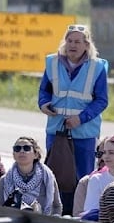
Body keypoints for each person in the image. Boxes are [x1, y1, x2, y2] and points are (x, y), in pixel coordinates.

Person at [38, 24, 109, 208]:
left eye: (77, 41)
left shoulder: (97, 67)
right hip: (57, 130)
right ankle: (56, 213)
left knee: (82, 178)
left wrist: (81, 118)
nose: (72, 45)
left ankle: (79, 215)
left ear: (86, 44)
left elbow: (101, 100)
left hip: (84, 133)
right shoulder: (52, 63)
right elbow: (44, 91)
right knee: (56, 175)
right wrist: (44, 104)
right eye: (69, 41)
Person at [0, 137, 60, 215]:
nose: (22, 151)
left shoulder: (47, 178)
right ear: (14, 155)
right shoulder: (5, 180)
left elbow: (57, 206)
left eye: (26, 148)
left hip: (42, 222)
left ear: (35, 154)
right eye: (17, 148)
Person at [76, 134, 114, 220]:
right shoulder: (96, 179)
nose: (105, 156)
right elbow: (91, 214)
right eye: (104, 152)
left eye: (111, 153)